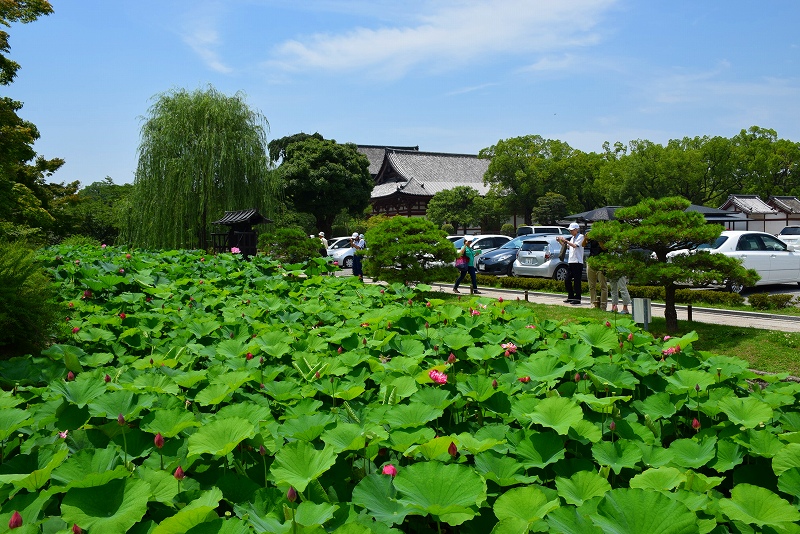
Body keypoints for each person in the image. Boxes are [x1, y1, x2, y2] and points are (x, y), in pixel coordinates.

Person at [556, 222, 585, 305]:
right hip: (571, 261)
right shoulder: (572, 238)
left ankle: (577, 298)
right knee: (567, 280)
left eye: (572, 230)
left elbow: (575, 246)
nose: (571, 232)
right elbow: (568, 246)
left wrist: (566, 241)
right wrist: (560, 241)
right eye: (570, 230)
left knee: (577, 281)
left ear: (576, 230)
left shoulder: (581, 237)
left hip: (578, 262)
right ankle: (571, 296)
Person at [586, 232, 607, 310]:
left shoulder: (605, 236)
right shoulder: (592, 236)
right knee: (591, 285)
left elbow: (604, 248)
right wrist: (586, 238)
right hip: (591, 260)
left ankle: (603, 306)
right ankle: (593, 303)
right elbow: (583, 245)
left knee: (603, 286)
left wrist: (599, 239)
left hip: (601, 262)